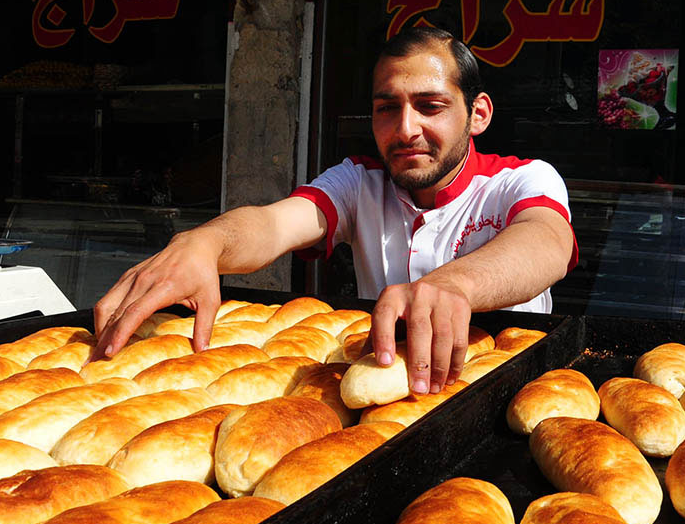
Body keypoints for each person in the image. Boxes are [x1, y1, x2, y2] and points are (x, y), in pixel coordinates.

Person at [92, 26, 577, 395]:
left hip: (507, 396)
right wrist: (206, 242)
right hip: (382, 408)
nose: (405, 129)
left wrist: (457, 284)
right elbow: (274, 223)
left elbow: (547, 242)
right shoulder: (359, 182)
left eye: (430, 106)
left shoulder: (519, 180)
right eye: (387, 108)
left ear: (478, 114)